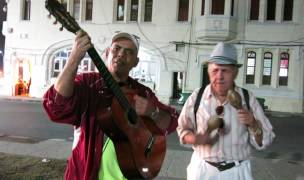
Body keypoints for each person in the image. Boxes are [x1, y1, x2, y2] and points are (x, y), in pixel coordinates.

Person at [42, 31, 179, 180]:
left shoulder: (142, 92)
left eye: (129, 52)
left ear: (136, 62)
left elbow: (172, 121)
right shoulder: (89, 83)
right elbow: (55, 105)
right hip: (87, 174)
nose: (121, 54)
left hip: (134, 173)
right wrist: (74, 58)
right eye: (116, 49)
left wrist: (153, 112)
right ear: (107, 53)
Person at [177, 42, 275, 180]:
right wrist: (196, 138)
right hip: (202, 171)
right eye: (215, 70)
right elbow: (183, 129)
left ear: (235, 72)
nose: (219, 76)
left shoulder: (247, 99)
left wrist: (253, 123)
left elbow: (266, 139)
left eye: (225, 71)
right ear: (209, 71)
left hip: (237, 172)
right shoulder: (197, 97)